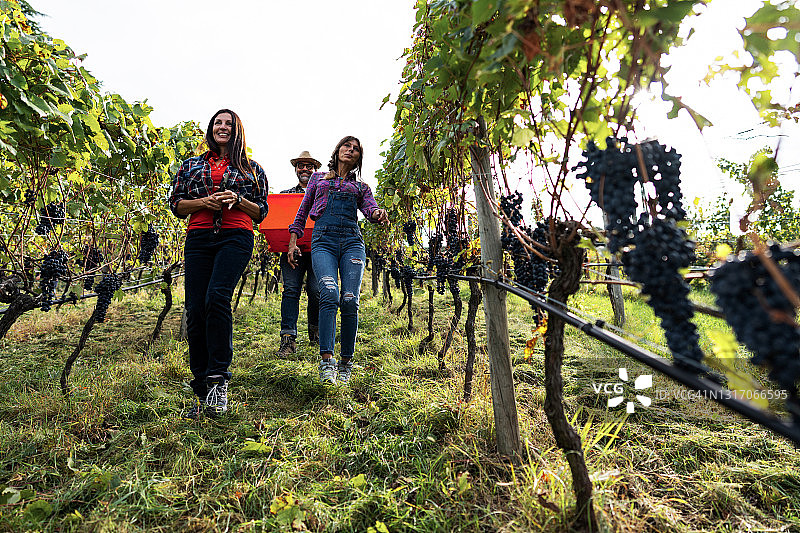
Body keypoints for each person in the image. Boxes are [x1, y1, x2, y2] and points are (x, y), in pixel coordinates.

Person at [169, 108, 268, 419]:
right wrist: (203, 202)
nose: (222, 127)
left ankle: (218, 380)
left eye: (229, 123)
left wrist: (237, 200)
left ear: (237, 130)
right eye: (217, 123)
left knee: (216, 298)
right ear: (211, 128)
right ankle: (201, 386)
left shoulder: (253, 169)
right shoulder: (190, 165)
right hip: (199, 237)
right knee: (195, 309)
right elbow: (176, 205)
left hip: (235, 236)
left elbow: (261, 211)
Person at [288, 136, 389, 385]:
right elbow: (302, 212)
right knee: (329, 293)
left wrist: (378, 214)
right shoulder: (318, 179)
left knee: (350, 300)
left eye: (355, 149)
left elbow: (370, 209)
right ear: (338, 150)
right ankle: (327, 362)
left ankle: (346, 363)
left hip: (352, 241)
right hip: (324, 241)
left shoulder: (361, 187)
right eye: (347, 146)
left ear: (358, 158)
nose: (350, 150)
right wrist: (293, 242)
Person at [277, 151, 322, 356]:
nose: (304, 169)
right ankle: (288, 339)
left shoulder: (323, 194)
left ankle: (315, 331)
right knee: (291, 290)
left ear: (315, 170)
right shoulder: (284, 195)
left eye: (309, 166)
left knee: (316, 291)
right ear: (296, 169)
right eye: (301, 166)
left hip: (319, 249)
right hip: (291, 249)